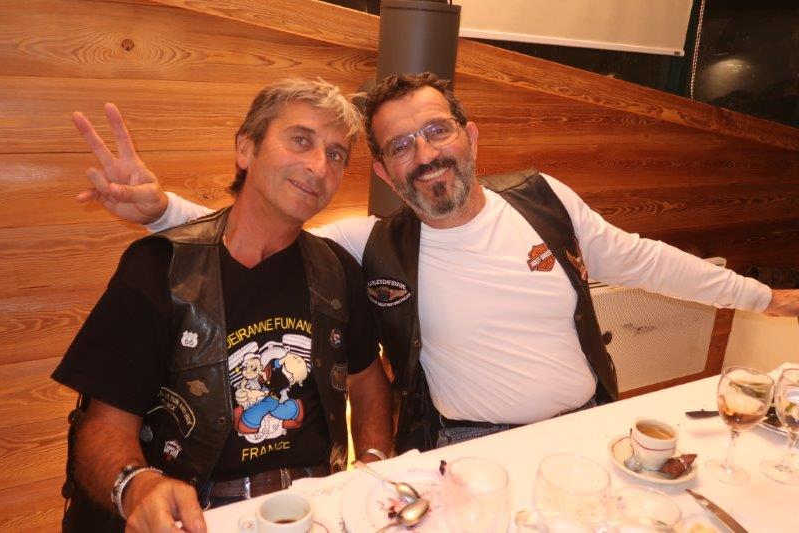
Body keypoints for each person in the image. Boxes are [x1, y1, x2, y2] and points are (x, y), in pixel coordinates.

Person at [74, 73, 799, 455]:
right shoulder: (368, 243)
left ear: (469, 136)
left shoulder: (545, 200)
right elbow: (266, 220)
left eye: (436, 130)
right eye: (399, 145)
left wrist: (764, 297)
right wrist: (161, 210)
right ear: (385, 173)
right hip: (464, 447)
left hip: (589, 426)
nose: (424, 153)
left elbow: (645, 259)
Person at [52, 79, 392, 533]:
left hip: (313, 510)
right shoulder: (160, 268)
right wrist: (138, 487)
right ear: (245, 149)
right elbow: (103, 428)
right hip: (194, 515)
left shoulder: (337, 269)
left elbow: (369, 383)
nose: (318, 166)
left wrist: (371, 465)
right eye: (300, 140)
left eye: (335, 154)